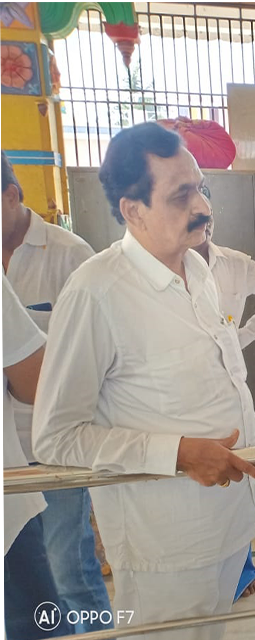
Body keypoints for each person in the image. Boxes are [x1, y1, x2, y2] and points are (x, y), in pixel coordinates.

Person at [32, 122, 255, 640]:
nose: (202, 206)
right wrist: (178, 453)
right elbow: (56, 436)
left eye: (201, 188)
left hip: (229, 523)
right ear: (133, 210)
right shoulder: (97, 292)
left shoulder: (198, 272)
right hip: (167, 546)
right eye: (181, 196)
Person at [0, 150, 111, 633]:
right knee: (22, 582)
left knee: (68, 569)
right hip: (5, 457)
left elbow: (100, 353)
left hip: (53, 448)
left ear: (11, 195)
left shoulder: (70, 256)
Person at [193, 214, 255, 599]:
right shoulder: (166, 269)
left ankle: (242, 569)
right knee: (201, 480)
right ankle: (210, 571)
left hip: (229, 384)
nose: (202, 225)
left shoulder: (233, 263)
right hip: (188, 390)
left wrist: (244, 336)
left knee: (238, 470)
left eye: (206, 218)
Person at [2, 274, 73, 639]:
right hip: (7, 498)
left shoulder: (70, 253)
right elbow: (33, 381)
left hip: (44, 456)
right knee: (38, 621)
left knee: (72, 573)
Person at [193, 214, 255, 349]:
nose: (206, 223)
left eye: (208, 215)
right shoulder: (168, 268)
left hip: (227, 360)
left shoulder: (237, 263)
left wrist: (245, 336)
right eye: (195, 215)